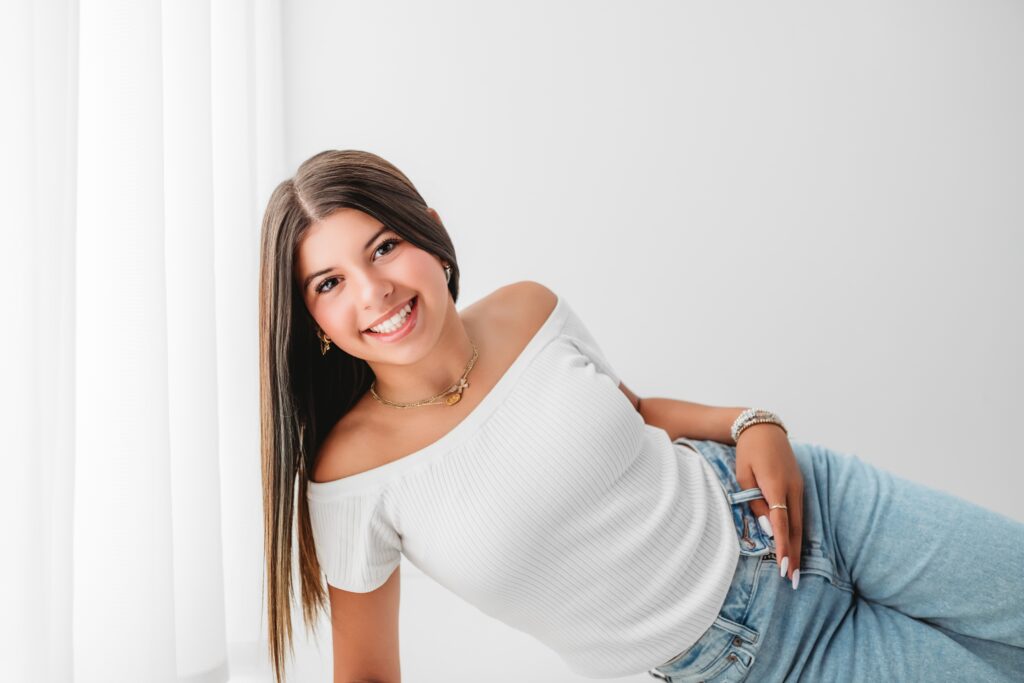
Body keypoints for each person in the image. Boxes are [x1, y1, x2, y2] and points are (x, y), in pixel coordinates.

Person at [258, 149, 1024, 683]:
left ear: (428, 227)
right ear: (313, 322)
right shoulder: (350, 475)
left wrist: (751, 421)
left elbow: (631, 418)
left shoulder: (529, 307)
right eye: (329, 282)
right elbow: (364, 670)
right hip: (754, 658)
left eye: (384, 246)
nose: (373, 290)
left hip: (818, 506)